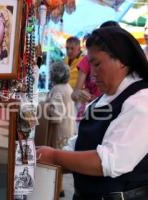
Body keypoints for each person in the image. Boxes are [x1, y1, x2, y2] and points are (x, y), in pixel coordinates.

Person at [37, 27, 148, 200]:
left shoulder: (141, 101)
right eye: (91, 65)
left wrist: (54, 155)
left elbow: (109, 162)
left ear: (122, 61)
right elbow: (81, 143)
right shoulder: (103, 99)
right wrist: (49, 157)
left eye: (97, 64)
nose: (92, 74)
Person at [71, 21, 120, 121]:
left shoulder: (122, 62)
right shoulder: (88, 59)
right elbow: (74, 94)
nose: (94, 73)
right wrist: (80, 94)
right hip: (91, 112)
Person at [45, 61, 75, 149]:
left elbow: (56, 115)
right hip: (69, 127)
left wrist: (47, 108)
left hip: (60, 131)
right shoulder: (67, 87)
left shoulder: (57, 89)